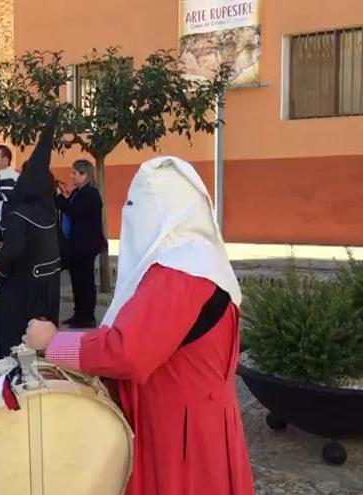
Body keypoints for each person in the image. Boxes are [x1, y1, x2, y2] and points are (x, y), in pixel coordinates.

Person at [26, 156, 255, 495]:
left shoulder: (179, 274)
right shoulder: (203, 262)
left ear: (157, 212)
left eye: (136, 206)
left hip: (180, 435)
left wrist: (53, 343)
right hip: (202, 423)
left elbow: (128, 351)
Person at [0, 117, 61, 363]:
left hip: (22, 291)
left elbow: (14, 249)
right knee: (40, 344)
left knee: (15, 341)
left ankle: (10, 385)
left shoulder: (20, 214)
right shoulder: (49, 212)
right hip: (47, 290)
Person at [55, 159, 106, 328]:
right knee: (76, 281)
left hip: (85, 245)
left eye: (75, 173)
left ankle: (87, 316)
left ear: (84, 175)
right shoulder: (79, 192)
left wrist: (62, 200)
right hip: (76, 244)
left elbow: (74, 211)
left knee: (85, 282)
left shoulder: (90, 194)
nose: (72, 176)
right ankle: (78, 313)